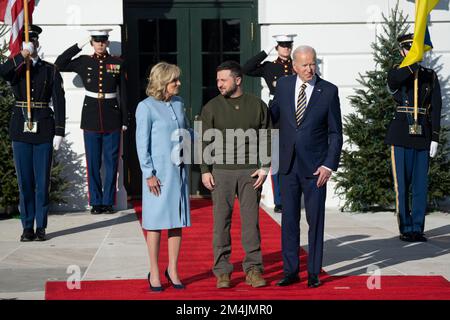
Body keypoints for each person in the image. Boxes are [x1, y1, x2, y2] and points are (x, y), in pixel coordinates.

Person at [270, 46, 343, 288]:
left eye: (312, 64)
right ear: (294, 65)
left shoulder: (329, 91)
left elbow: (335, 132)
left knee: (315, 221)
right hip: (288, 165)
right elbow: (271, 117)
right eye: (304, 65)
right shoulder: (282, 86)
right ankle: (291, 271)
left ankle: (313, 273)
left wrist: (328, 165)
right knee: (289, 221)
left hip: (315, 169)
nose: (310, 69)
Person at [200, 60, 271, 289]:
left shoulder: (257, 105)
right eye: (218, 80)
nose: (219, 84)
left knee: (251, 224)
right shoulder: (211, 106)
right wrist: (204, 171)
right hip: (221, 172)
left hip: (250, 173)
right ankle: (222, 272)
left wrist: (265, 166)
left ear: (238, 80)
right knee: (221, 223)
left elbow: (268, 136)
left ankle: (253, 269)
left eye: (224, 80)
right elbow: (204, 140)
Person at [0, 25, 66, 241]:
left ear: (38, 43)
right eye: (28, 42)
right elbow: (2, 72)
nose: (32, 45)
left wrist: (59, 132)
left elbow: (59, 100)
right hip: (21, 129)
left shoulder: (50, 69)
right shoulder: (17, 68)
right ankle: (27, 226)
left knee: (42, 182)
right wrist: (22, 56)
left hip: (44, 128)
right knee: (25, 182)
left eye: (34, 42)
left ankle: (41, 226)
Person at [55, 29, 128, 214]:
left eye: (103, 41)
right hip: (91, 117)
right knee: (93, 162)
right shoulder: (83, 62)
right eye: (96, 41)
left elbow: (124, 93)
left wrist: (124, 118)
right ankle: (96, 202)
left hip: (112, 117)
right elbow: (59, 63)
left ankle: (108, 201)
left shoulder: (117, 63)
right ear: (92, 43)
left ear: (107, 42)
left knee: (112, 162)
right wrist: (78, 45)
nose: (100, 44)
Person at [135, 62, 190, 291]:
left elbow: (186, 132)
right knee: (155, 225)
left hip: (179, 172)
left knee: (176, 223)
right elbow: (141, 143)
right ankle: (155, 272)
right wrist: (148, 174)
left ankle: (173, 269)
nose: (178, 83)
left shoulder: (178, 103)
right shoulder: (145, 107)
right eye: (174, 80)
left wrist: (210, 135)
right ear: (162, 82)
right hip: (158, 176)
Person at [385, 34, 442, 243]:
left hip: (422, 135)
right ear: (402, 51)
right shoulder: (397, 72)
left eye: (416, 49)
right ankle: (405, 227)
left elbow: (436, 108)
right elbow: (393, 83)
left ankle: (418, 227)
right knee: (403, 184)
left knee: (420, 184)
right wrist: (411, 66)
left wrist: (435, 137)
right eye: (409, 49)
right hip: (401, 134)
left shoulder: (429, 75)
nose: (413, 52)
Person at [242, 34, 297, 214]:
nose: (286, 48)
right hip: (277, 112)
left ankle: (293, 196)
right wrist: (266, 51)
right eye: (282, 45)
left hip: (296, 110)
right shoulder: (269, 67)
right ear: (277, 47)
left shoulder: (297, 66)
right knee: (276, 158)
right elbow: (246, 68)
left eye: (288, 45)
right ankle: (279, 200)